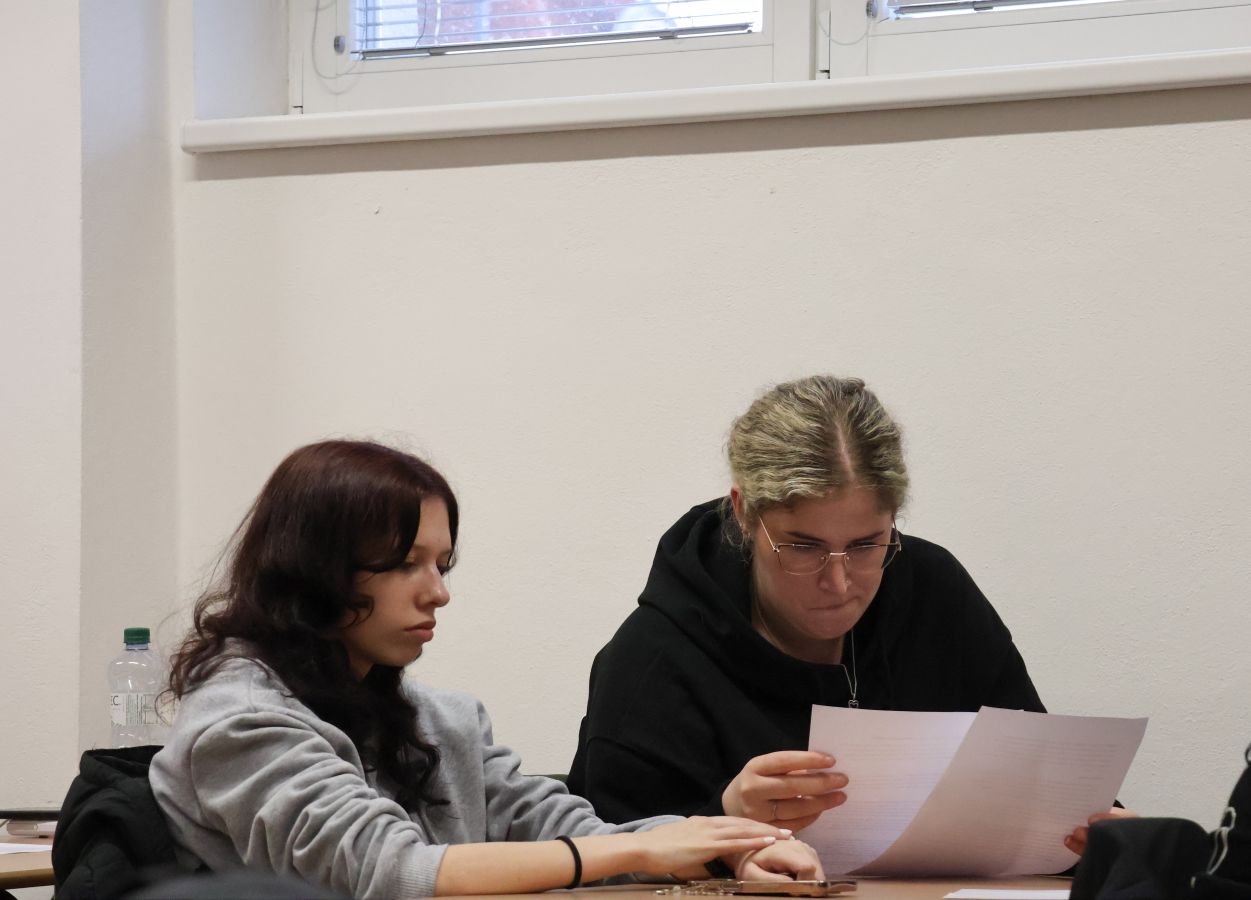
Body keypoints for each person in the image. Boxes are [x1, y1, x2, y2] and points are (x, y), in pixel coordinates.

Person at [150, 440, 822, 899]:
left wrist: (728, 848)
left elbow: (574, 834)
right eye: (405, 564)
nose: (438, 593)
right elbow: (390, 873)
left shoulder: (444, 720)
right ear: (315, 570)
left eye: (442, 565)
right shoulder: (240, 720)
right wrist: (641, 852)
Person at [567, 375, 1120, 860]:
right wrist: (725, 818)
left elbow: (1038, 776)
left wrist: (1095, 834)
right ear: (743, 513)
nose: (838, 583)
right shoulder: (654, 660)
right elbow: (606, 864)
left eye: (865, 545)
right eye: (802, 547)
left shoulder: (935, 594)